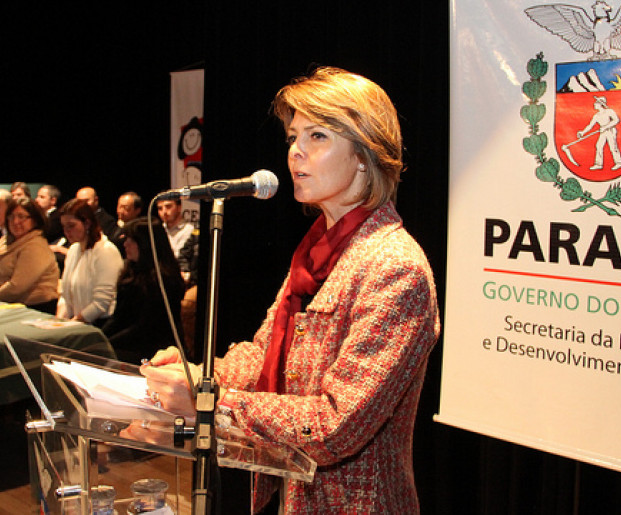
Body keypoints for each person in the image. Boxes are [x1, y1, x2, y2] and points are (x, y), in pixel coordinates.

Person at [141, 67, 440, 513]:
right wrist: (198, 374)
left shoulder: (395, 267)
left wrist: (210, 403)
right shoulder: (317, 252)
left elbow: (335, 426)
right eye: (292, 137)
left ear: (365, 153)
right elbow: (265, 356)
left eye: (317, 136)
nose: (295, 152)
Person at [101, 219, 184, 364]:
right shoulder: (131, 271)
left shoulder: (164, 279)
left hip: (153, 350)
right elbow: (118, 318)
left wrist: (107, 344)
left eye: (131, 240)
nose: (125, 244)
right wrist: (100, 338)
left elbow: (146, 328)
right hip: (129, 342)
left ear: (146, 244)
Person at [0, 197, 59, 313]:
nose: (15, 222)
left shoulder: (35, 246)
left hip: (32, 309)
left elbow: (16, 286)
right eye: (11, 217)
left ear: (34, 220)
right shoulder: (4, 240)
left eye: (21, 217)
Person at [56, 199, 124, 325]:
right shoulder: (73, 250)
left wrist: (72, 324)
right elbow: (66, 296)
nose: (66, 231)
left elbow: (101, 303)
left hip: (98, 325)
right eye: (64, 226)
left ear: (87, 223)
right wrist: (59, 321)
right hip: (76, 323)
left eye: (71, 226)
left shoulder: (106, 251)